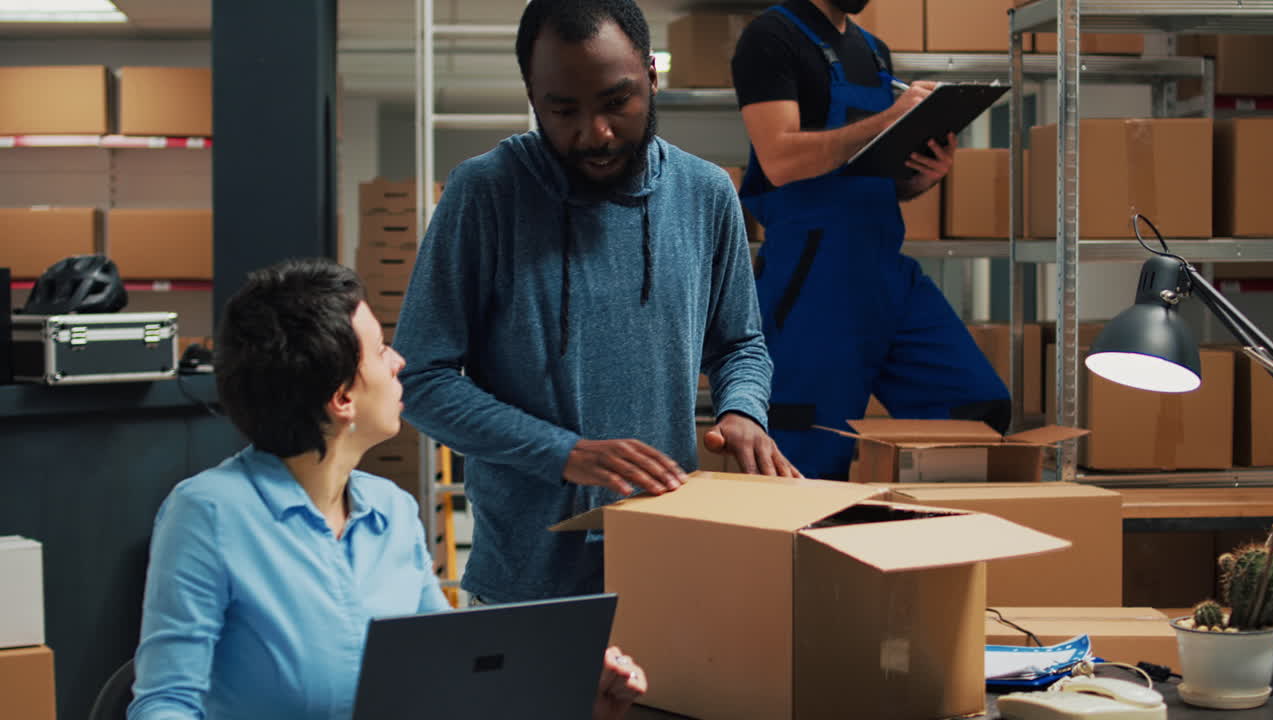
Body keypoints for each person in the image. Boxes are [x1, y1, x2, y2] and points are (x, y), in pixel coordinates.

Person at [393, 0, 801, 606]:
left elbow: (739, 343)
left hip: (664, 567)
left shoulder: (706, 194)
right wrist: (565, 454)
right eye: (563, 110)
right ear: (533, 95)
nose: (596, 133)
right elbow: (420, 380)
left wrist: (742, 409)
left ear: (651, 78)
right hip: (527, 585)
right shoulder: (486, 193)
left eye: (617, 102)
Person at [128, 259, 646, 720]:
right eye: (379, 350)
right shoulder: (209, 514)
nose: (399, 362)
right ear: (342, 399)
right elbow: (165, 701)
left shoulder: (392, 511)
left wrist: (570, 695)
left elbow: (454, 673)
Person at [730, 0, 1012, 480]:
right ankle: (806, 553)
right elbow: (779, 158)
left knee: (974, 407)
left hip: (885, 269)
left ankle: (933, 546)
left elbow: (874, 174)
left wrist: (925, 174)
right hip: (813, 279)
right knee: (805, 450)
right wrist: (888, 120)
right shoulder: (770, 37)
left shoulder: (874, 52)